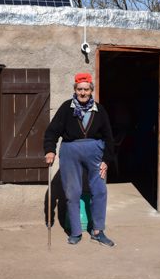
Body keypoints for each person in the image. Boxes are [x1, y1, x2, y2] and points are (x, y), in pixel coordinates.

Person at [44, 73, 116, 247]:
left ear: (91, 90)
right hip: (70, 151)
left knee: (99, 190)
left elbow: (109, 136)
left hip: (96, 153)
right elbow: (52, 131)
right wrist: (50, 150)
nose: (83, 93)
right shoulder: (66, 108)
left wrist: (106, 159)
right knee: (72, 192)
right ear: (75, 90)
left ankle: (98, 231)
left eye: (86, 89)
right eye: (79, 89)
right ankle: (75, 231)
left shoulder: (99, 109)